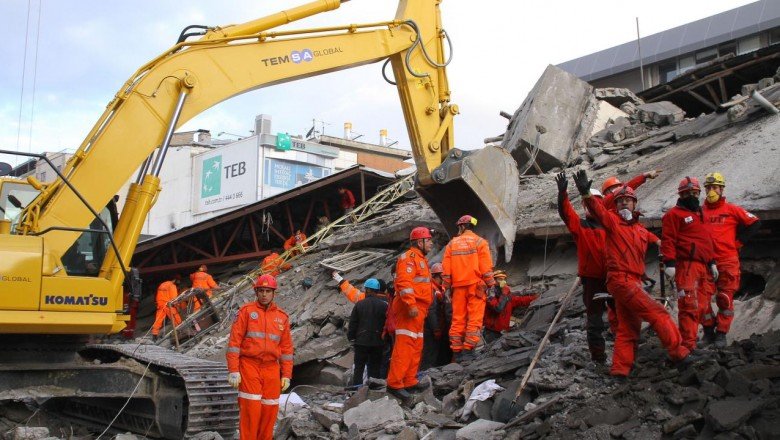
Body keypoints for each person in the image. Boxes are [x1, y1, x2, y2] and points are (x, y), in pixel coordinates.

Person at [573, 170, 693, 380]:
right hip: (621, 281)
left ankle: (620, 371)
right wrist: (585, 194)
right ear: (615, 205)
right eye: (620, 201)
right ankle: (679, 354)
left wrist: (672, 255)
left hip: (633, 281)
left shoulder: (639, 229)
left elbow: (660, 243)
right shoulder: (611, 222)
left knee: (628, 329)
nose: (624, 204)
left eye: (628, 201)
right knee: (658, 314)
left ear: (634, 204)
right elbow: (598, 210)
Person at [556, 172, 618, 363]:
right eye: (587, 203)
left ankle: (627, 352)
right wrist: (562, 194)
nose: (590, 206)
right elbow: (566, 212)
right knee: (595, 321)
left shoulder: (612, 225)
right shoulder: (580, 226)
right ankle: (599, 358)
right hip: (592, 281)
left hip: (614, 277)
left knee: (624, 316)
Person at [226, 274, 293, 440]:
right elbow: (234, 343)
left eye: (268, 291)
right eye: (261, 290)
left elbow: (286, 349)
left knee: (270, 410)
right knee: (251, 409)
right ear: (256, 292)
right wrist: (234, 370)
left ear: (273, 293)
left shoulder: (282, 317)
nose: (264, 294)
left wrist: (286, 375)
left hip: (271, 368)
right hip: (249, 366)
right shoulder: (246, 312)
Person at [701, 172, 761, 347]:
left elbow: (755, 223)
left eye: (715, 187)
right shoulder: (699, 212)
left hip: (727, 261)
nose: (711, 191)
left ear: (721, 189)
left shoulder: (732, 209)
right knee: (701, 301)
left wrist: (739, 242)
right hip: (704, 263)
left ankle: (721, 333)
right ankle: (708, 332)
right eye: (709, 187)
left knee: (725, 299)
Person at [661, 177, 718, 351]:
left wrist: (712, 262)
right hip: (686, 266)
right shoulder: (673, 215)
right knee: (689, 306)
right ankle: (688, 346)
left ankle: (700, 338)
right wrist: (669, 263)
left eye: (695, 193)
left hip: (703, 266)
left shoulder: (699, 214)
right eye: (688, 193)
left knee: (702, 304)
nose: (692, 196)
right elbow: (668, 240)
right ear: (681, 195)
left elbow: (706, 241)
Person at [386, 227, 434, 403]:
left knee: (416, 345)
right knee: (405, 346)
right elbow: (403, 282)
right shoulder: (409, 258)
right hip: (410, 309)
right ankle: (395, 383)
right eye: (428, 240)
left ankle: (409, 380)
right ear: (419, 242)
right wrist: (411, 304)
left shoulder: (420, 259)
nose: (431, 243)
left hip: (419, 309)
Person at [442, 215, 495, 362]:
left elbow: (446, 270)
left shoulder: (452, 244)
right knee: (474, 319)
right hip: (476, 287)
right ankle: (469, 350)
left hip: (458, 288)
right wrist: (491, 284)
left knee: (458, 319)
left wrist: (446, 287)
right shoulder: (480, 242)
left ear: (462, 226)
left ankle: (457, 352)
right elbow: (486, 268)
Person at [347, 278, 388, 386]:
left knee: (359, 367)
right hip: (378, 342)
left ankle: (357, 389)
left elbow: (353, 323)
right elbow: (386, 324)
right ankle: (373, 390)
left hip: (361, 341)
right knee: (374, 367)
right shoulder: (384, 306)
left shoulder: (359, 305)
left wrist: (351, 337)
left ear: (367, 290)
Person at [483, 270, 538, 343]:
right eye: (500, 279)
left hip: (503, 332)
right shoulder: (490, 296)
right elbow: (498, 308)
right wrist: (504, 294)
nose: (503, 282)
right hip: (491, 333)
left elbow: (520, 300)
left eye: (504, 279)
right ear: (494, 281)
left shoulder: (507, 297)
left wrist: (535, 297)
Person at [421, 263, 452, 369]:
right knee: (430, 355)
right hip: (430, 329)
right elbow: (431, 310)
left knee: (437, 354)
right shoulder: (433, 289)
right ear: (439, 276)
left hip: (436, 327)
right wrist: (436, 329)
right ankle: (425, 376)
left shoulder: (439, 289)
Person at [151, 275, 183, 341]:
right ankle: (181, 332)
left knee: (158, 320)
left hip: (160, 305)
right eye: (178, 281)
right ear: (175, 280)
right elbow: (174, 298)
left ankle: (154, 335)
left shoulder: (162, 284)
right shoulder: (172, 286)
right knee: (177, 319)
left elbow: (157, 295)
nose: (178, 282)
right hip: (168, 305)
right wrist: (177, 306)